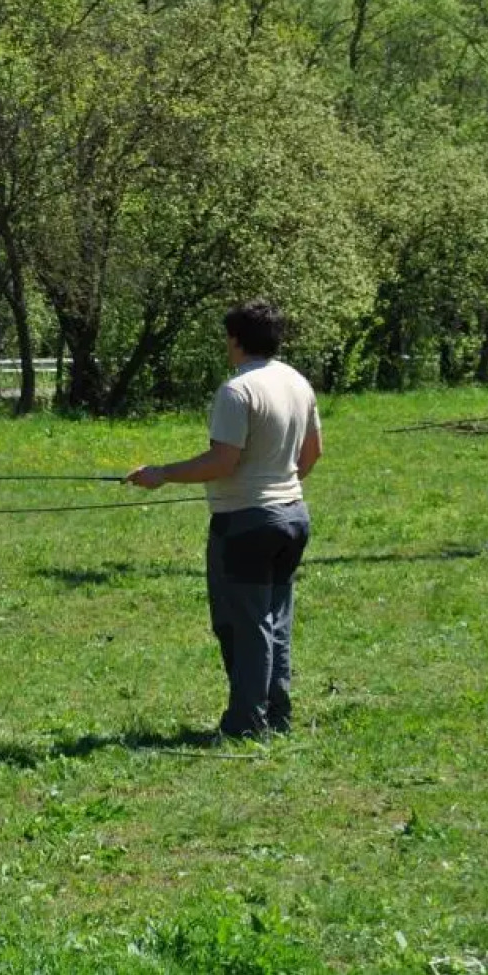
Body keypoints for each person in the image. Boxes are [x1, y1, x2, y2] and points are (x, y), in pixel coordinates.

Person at [125, 300, 322, 739]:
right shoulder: (297, 382)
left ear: (235, 339)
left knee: (243, 625)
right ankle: (277, 717)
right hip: (293, 517)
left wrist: (162, 475)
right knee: (274, 620)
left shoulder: (237, 391)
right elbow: (311, 456)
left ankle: (247, 725)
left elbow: (222, 461)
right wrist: (277, 485)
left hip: (246, 525)